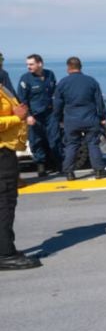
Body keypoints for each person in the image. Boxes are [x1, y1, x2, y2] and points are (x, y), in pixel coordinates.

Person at [0, 82, 39, 270]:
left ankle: (7, 247)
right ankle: (5, 254)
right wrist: (17, 118)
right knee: (4, 203)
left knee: (7, 202)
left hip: (6, 150)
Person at [54, 57, 106, 180]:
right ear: (80, 67)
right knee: (93, 144)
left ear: (68, 68)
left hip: (71, 120)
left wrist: (59, 118)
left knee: (71, 145)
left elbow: (57, 104)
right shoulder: (91, 81)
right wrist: (102, 117)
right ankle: (99, 171)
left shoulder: (63, 83)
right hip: (90, 118)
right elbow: (99, 102)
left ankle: (69, 173)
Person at [18, 54, 61, 176]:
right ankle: (41, 166)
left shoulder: (50, 74)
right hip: (35, 115)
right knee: (36, 141)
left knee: (54, 139)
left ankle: (56, 164)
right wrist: (28, 116)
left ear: (40, 64)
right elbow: (22, 100)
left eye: (31, 64)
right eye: (27, 64)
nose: (28, 67)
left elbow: (55, 93)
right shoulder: (25, 79)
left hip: (50, 114)